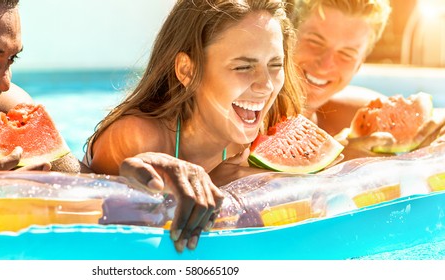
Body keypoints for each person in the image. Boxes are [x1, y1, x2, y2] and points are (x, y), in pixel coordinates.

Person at [0, 0, 221, 253]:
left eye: (11, 60)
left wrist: (133, 175)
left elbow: (84, 187)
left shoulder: (7, 109)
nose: (4, 83)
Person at [85, 0, 303, 197]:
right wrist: (216, 186)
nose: (266, 85)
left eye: (275, 65)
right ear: (187, 70)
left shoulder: (264, 137)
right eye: (243, 67)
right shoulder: (133, 139)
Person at [291, 0, 445, 159]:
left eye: (347, 54)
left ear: (359, 64)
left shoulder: (347, 113)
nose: (325, 65)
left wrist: (434, 126)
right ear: (287, 38)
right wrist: (331, 164)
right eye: (315, 42)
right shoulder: (263, 120)